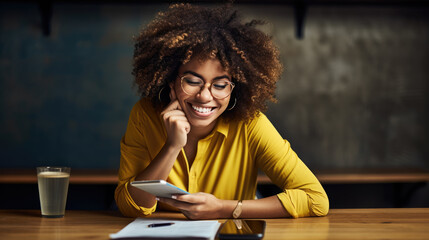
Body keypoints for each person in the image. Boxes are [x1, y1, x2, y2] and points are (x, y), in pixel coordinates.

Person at [115, 3, 329, 220]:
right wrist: (172, 147)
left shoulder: (251, 124)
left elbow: (315, 199)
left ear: (234, 88)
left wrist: (225, 208)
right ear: (171, 81)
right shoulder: (145, 116)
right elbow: (130, 207)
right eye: (192, 81)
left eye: (219, 85)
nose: (205, 96)